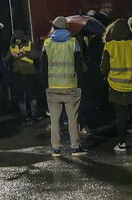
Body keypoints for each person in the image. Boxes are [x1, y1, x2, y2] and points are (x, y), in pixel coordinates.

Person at [41, 17, 87, 158]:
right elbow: (79, 67)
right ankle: (75, 148)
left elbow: (43, 68)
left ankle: (56, 149)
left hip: (52, 87)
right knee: (73, 118)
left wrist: (45, 85)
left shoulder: (47, 43)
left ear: (54, 28)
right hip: (71, 86)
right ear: (66, 27)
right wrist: (81, 85)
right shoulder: (73, 43)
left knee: (54, 119)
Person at [101, 18, 132, 151]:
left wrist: (106, 77)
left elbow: (104, 67)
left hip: (116, 86)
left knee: (120, 116)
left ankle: (122, 143)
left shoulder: (110, 46)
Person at [8, 30, 39, 123]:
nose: (17, 40)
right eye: (16, 39)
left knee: (31, 93)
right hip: (18, 73)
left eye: (19, 39)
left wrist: (26, 53)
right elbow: (6, 59)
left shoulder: (29, 45)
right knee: (20, 95)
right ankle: (24, 115)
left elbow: (37, 55)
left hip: (29, 72)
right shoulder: (12, 47)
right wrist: (11, 56)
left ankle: (34, 113)